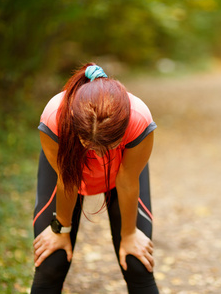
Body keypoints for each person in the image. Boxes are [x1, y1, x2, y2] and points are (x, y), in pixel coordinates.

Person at [31, 63, 159, 293]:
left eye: (108, 146)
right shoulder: (55, 118)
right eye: (88, 144)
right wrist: (61, 230)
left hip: (122, 177)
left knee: (137, 263)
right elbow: (66, 180)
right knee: (52, 261)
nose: (98, 154)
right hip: (67, 177)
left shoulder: (139, 118)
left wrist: (129, 234)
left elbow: (128, 182)